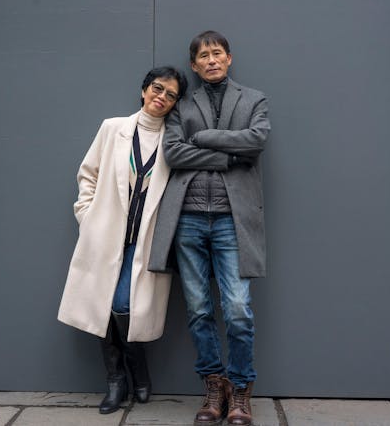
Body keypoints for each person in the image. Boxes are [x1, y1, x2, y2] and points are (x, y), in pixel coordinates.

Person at [149, 31, 270, 426]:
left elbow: (255, 141)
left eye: (217, 53)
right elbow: (174, 152)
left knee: (237, 309)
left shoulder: (254, 100)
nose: (211, 60)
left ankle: (240, 390)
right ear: (194, 64)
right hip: (187, 220)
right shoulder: (181, 105)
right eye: (204, 56)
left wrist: (202, 138)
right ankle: (213, 386)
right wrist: (225, 156)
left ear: (229, 58)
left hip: (232, 221)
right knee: (199, 310)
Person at [58, 66, 187, 414]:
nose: (162, 97)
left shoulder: (173, 142)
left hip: (144, 243)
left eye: (171, 94)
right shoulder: (113, 128)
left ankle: (135, 368)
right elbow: (89, 174)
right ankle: (118, 380)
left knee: (120, 307)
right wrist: (88, 218)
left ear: (175, 103)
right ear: (144, 90)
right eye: (157, 89)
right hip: (105, 238)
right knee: (102, 306)